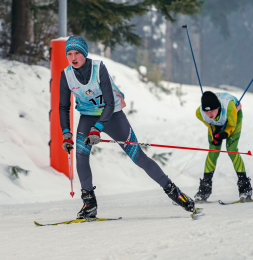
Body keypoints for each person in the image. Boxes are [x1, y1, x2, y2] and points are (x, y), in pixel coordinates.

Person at [59, 36, 195, 219]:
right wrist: (66, 134)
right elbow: (63, 107)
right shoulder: (66, 74)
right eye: (69, 54)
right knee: (81, 156)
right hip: (87, 117)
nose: (73, 57)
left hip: (112, 115)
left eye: (77, 53)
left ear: (84, 54)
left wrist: (97, 129)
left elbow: (108, 103)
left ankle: (175, 193)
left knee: (138, 157)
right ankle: (89, 204)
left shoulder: (98, 68)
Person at [194, 91, 252, 202]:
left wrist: (224, 133)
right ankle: (205, 189)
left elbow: (231, 125)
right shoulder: (199, 113)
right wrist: (214, 132)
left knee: (231, 149)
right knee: (213, 151)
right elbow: (209, 121)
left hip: (234, 116)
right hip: (217, 123)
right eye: (207, 111)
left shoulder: (229, 108)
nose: (210, 114)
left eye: (212, 111)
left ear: (218, 107)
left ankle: (245, 188)